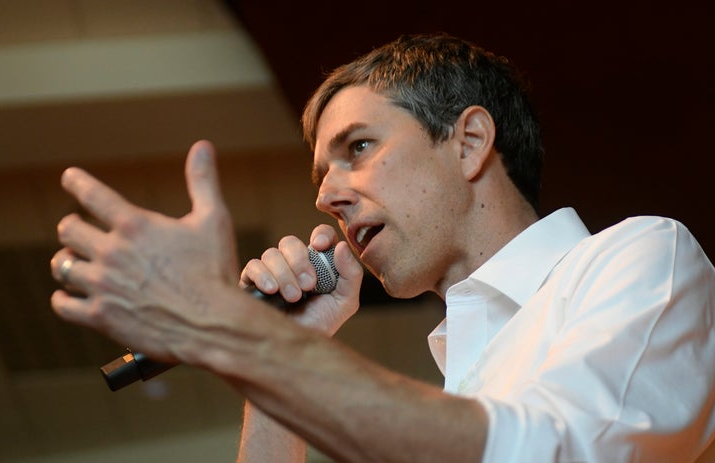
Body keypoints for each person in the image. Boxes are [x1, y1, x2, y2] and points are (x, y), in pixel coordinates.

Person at [50, 33, 715, 462]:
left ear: (470, 142)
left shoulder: (643, 258)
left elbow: (551, 450)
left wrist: (228, 332)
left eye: (358, 149)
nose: (326, 197)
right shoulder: (456, 381)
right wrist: (283, 346)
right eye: (320, 176)